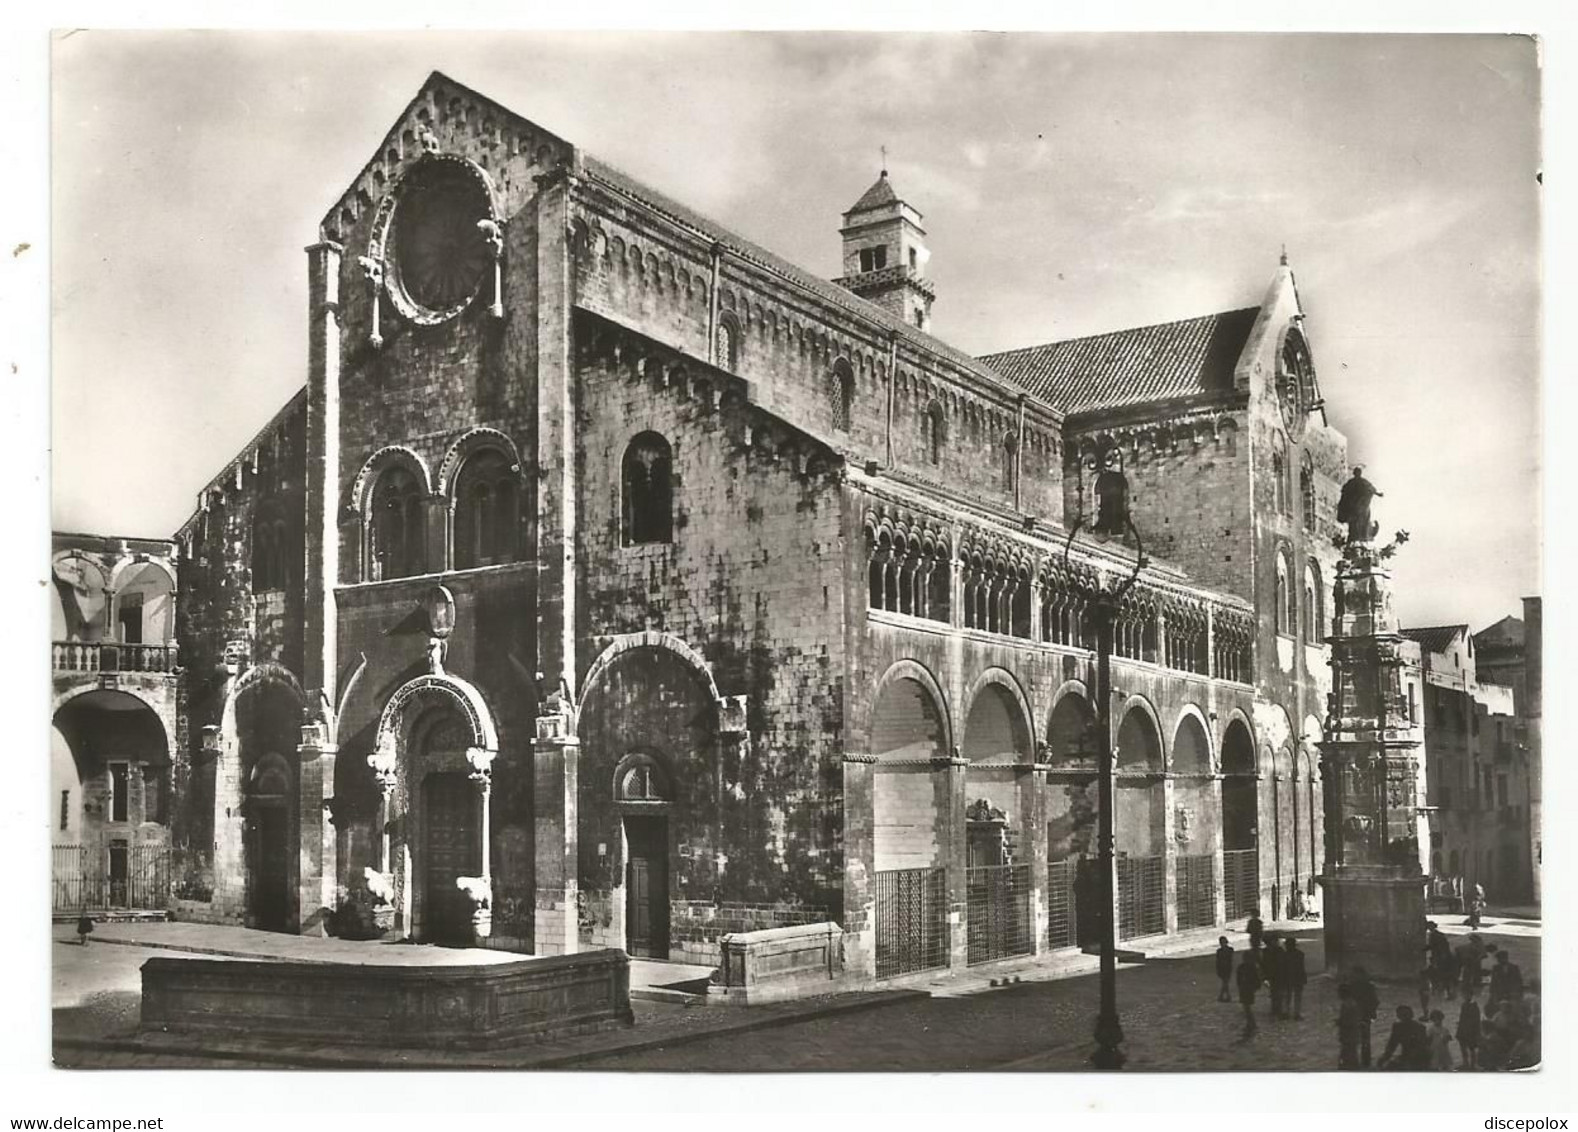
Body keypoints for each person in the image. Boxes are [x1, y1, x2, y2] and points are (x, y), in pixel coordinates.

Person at [1337, 466, 1383, 544]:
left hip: (1358, 506)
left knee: (1360, 520)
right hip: (1354, 507)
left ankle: (1361, 536)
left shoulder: (1355, 482)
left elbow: (1370, 488)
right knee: (1355, 522)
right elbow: (1345, 492)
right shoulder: (1354, 482)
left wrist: (1377, 493)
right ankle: (1356, 537)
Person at [1378, 1004, 1430, 1070]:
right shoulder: (1398, 1027)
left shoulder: (1419, 1027)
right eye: (1402, 1015)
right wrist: (1385, 1057)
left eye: (1406, 1015)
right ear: (1398, 1016)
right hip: (1406, 1056)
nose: (1405, 1017)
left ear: (1411, 1015)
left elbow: (1423, 1046)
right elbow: (1392, 1044)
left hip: (1420, 1058)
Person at [1348, 966, 1380, 1068]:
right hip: (1360, 1016)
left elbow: (1375, 1001)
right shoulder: (1367, 986)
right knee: (1362, 1039)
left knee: (1360, 1039)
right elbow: (1375, 1001)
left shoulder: (1353, 986)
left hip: (1360, 1016)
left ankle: (1360, 1061)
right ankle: (1363, 1061)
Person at [1236, 948, 1263, 1040]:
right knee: (1246, 1007)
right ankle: (1251, 1023)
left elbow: (1239, 979)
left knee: (1247, 1007)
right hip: (1246, 989)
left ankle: (1251, 1023)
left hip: (1247, 989)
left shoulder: (1246, 967)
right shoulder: (1250, 967)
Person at [1456, 990, 1482, 1070]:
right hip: (1463, 1029)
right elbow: (1462, 1017)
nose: (1465, 996)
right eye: (1464, 995)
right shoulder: (1464, 1005)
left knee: (1472, 1048)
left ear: (1471, 995)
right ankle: (1465, 1063)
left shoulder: (1474, 1006)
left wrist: (1476, 1031)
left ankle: (1472, 1064)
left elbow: (1476, 1020)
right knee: (1463, 1047)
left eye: (1467, 995)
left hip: (1471, 1030)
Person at [1283, 936, 1307, 1020]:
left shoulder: (1284, 955)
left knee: (1287, 996)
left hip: (1287, 978)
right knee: (1297, 996)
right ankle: (1297, 1014)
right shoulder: (1300, 954)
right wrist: (1304, 978)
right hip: (1298, 977)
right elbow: (1301, 967)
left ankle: (1286, 1013)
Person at [1263, 934, 1286, 1019]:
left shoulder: (1266, 951)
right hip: (1278, 975)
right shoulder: (1279, 950)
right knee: (1277, 993)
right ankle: (1278, 1011)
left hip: (1274, 975)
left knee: (1275, 993)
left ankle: (1275, 1010)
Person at [1215, 936, 1235, 1003]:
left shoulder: (1229, 950)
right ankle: (1226, 996)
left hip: (1227, 968)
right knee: (1225, 982)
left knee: (1225, 982)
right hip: (1222, 969)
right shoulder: (1220, 951)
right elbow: (1217, 962)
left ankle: (1223, 996)